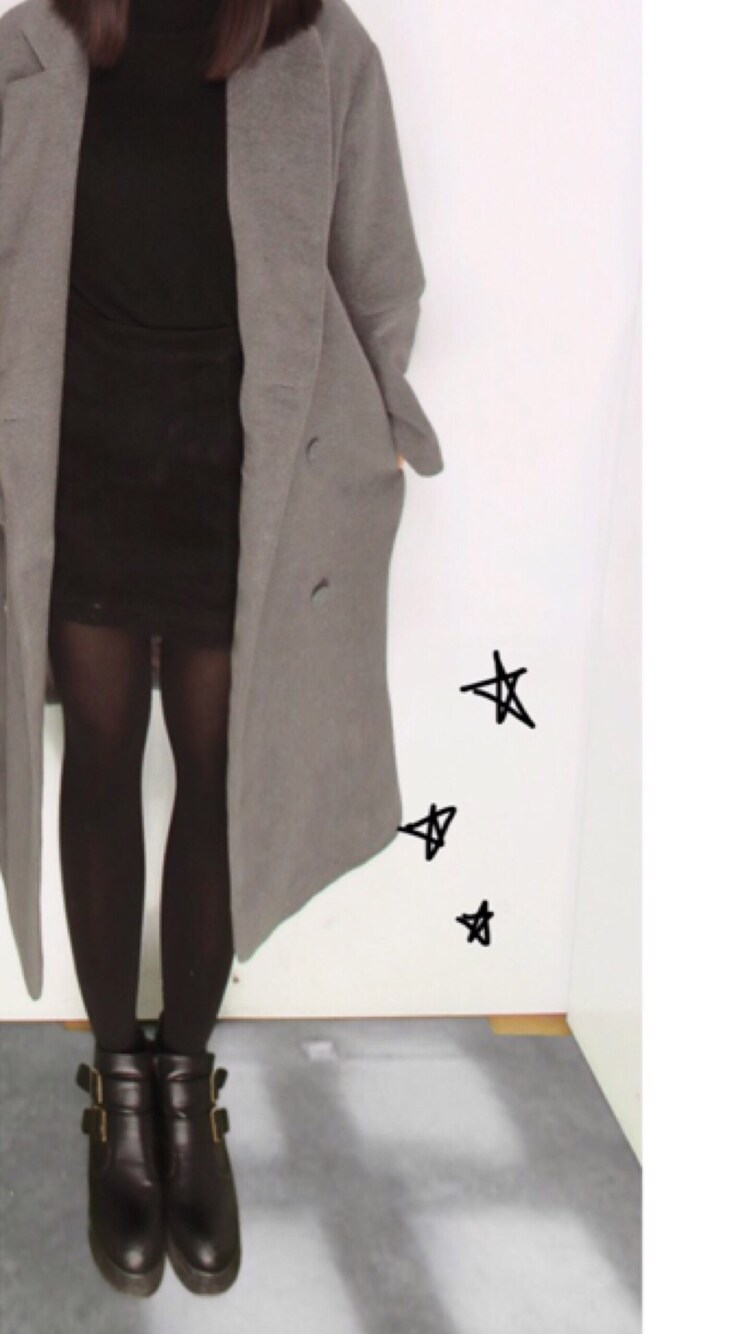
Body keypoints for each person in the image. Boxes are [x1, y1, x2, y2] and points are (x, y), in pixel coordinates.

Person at [24, 0, 407, 1299]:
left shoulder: (321, 48)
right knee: (99, 759)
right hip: (82, 452)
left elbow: (379, 268)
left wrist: (368, 432)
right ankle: (120, 1101)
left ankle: (184, 1089)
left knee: (224, 765)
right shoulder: (42, 39)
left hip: (246, 464)